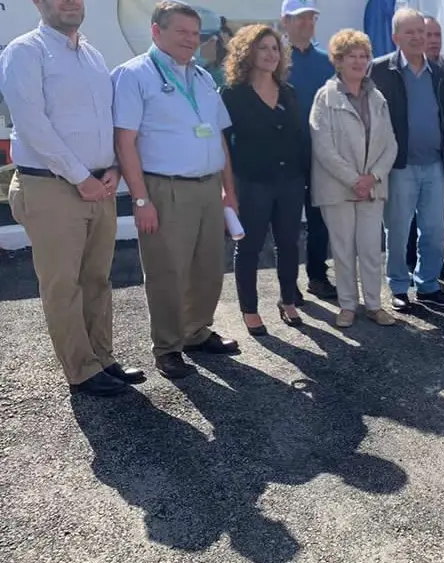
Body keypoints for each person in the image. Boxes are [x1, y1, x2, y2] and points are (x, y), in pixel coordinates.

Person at [0, 0, 143, 397]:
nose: (70, 2)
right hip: (51, 187)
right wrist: (81, 177)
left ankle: (103, 358)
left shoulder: (93, 55)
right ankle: (81, 371)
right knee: (63, 284)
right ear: (39, 3)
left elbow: (107, 117)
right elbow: (32, 126)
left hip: (98, 186)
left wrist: (113, 167)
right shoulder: (24, 51)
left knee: (97, 279)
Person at [112, 1, 240, 379]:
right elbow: (125, 143)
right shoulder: (134, 75)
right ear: (156, 32)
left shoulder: (201, 77)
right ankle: (167, 347)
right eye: (181, 31)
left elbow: (218, 138)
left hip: (207, 189)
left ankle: (195, 332)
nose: (191, 39)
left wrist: (228, 191)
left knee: (207, 269)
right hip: (164, 189)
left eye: (195, 32)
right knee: (167, 272)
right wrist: (140, 199)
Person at [220, 25, 306, 336]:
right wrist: (227, 189)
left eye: (275, 48)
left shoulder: (289, 92)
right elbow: (222, 146)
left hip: (290, 182)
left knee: (289, 243)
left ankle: (288, 300)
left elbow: (299, 138)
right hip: (252, 182)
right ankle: (250, 309)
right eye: (263, 47)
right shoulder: (232, 95)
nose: (271, 54)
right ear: (247, 52)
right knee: (250, 247)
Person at [369, 8, 444, 311]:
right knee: (397, 229)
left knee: (433, 230)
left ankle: (429, 285)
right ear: (396, 38)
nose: (419, 37)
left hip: (435, 164)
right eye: (411, 32)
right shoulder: (379, 71)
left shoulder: (439, 71)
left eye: (421, 31)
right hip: (399, 166)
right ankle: (398, 286)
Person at [310, 29, 398, 328]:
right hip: (338, 188)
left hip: (372, 187)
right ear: (338, 61)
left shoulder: (377, 97)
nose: (359, 62)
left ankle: (374, 304)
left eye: (364, 56)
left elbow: (391, 143)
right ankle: (347, 305)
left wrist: (371, 177)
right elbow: (322, 146)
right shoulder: (326, 96)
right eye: (352, 56)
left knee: (372, 248)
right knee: (343, 250)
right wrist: (354, 179)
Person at [282, 0, 337, 302]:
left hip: (320, 155)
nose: (306, 24)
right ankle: (287, 286)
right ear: (285, 22)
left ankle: (317, 276)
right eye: (299, 18)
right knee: (287, 223)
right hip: (286, 157)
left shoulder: (326, 61)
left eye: (310, 18)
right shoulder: (274, 61)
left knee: (319, 220)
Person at [405, 15, 444, 283]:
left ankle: (435, 261)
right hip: (415, 158)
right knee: (414, 215)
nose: (434, 41)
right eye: (429, 35)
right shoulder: (407, 72)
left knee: (443, 211)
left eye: (438, 35)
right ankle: (410, 262)